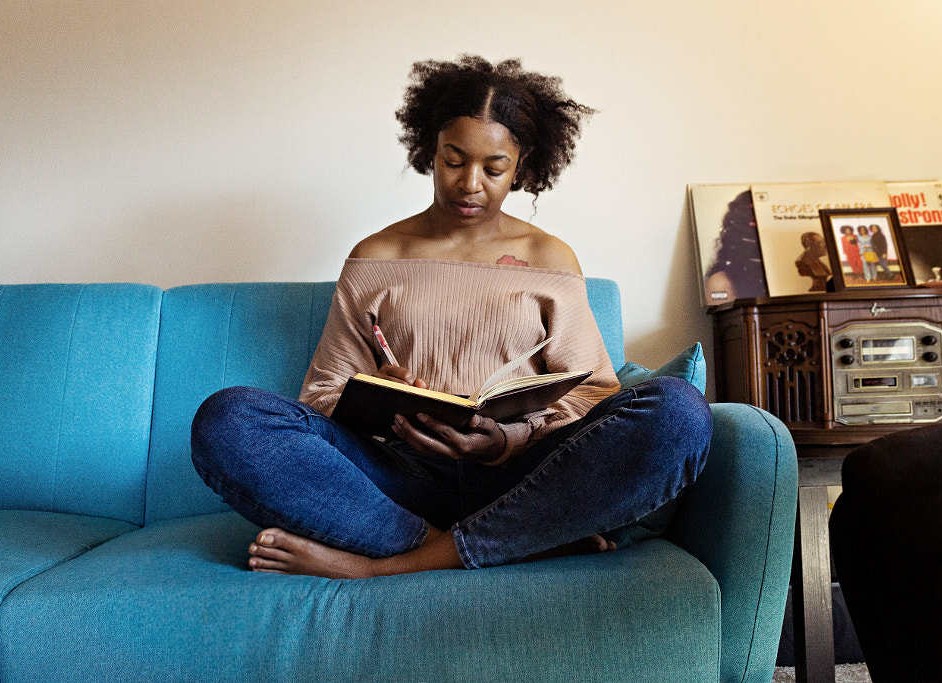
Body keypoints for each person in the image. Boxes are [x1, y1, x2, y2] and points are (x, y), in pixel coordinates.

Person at [190, 55, 712, 579]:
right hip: (398, 481)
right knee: (228, 419)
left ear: (523, 165)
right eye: (453, 160)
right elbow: (322, 395)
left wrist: (504, 440)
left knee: (679, 413)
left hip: (524, 479)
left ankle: (383, 566)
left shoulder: (550, 258)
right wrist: (376, 389)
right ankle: (483, 546)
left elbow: (593, 395)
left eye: (494, 168)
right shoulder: (377, 256)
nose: (470, 184)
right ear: (430, 152)